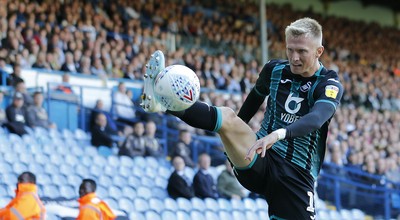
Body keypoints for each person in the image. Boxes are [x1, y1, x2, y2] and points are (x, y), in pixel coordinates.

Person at [141, 17, 343, 219]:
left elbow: (317, 118)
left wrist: (278, 135)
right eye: (290, 49)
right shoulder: (274, 70)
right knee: (228, 118)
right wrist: (234, 134)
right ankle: (161, 100)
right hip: (259, 154)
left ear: (319, 51)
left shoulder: (328, 84)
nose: (294, 57)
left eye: (301, 52)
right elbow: (255, 97)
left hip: (296, 175)